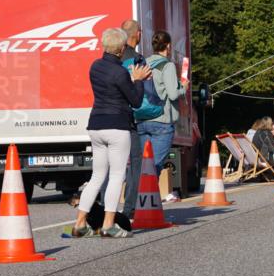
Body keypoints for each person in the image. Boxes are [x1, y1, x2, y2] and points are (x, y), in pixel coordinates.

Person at [67, 28, 150, 238]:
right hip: (117, 126)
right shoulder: (121, 72)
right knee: (116, 176)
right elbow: (136, 101)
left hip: (96, 125)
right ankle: (108, 225)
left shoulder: (95, 66)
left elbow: (112, 89)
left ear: (104, 45)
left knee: (97, 176)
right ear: (122, 49)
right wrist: (138, 80)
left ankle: (79, 224)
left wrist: (129, 79)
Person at [136, 30, 187, 203]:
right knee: (155, 166)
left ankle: (136, 200)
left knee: (144, 165)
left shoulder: (144, 63)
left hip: (142, 119)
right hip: (162, 121)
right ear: (169, 46)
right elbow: (173, 95)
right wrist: (184, 87)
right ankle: (147, 204)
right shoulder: (168, 65)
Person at [119, 19, 145, 219]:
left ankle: (102, 210)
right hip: (129, 119)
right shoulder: (137, 59)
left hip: (108, 120)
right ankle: (129, 209)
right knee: (136, 163)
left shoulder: (112, 60)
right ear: (138, 34)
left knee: (110, 167)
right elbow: (141, 96)